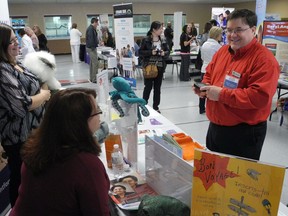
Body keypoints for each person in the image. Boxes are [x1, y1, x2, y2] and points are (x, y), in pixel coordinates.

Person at [194, 9, 280, 160]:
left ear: (253, 30)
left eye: (238, 30)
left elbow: (259, 97)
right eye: (229, 30)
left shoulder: (264, 60)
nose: (232, 35)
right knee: (213, 176)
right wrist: (205, 87)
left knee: (235, 181)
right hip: (215, 127)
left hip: (244, 134)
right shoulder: (223, 52)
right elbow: (209, 73)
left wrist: (220, 94)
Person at [10, 88, 110, 215]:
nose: (100, 116)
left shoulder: (35, 150)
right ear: (81, 122)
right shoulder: (86, 165)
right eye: (97, 111)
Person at [0, 24, 51, 207]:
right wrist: (43, 96)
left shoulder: (16, 64)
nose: (17, 43)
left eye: (16, 39)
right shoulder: (2, 70)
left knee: (35, 180)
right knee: (21, 182)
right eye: (11, 41)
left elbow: (39, 82)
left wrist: (40, 93)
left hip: (33, 133)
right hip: (18, 138)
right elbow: (21, 105)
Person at [139, 21, 169, 113]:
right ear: (154, 29)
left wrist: (164, 53)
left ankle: (156, 107)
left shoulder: (163, 40)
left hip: (160, 67)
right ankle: (144, 105)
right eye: (160, 28)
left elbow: (168, 51)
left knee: (157, 88)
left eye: (161, 28)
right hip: (149, 67)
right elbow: (140, 52)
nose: (161, 30)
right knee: (147, 87)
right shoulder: (146, 40)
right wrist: (150, 52)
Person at [199, 26, 222, 114]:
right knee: (211, 91)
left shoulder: (205, 44)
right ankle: (210, 109)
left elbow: (202, 57)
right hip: (212, 71)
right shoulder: (218, 46)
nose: (221, 36)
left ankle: (201, 108)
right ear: (217, 35)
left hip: (203, 68)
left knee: (202, 90)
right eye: (220, 34)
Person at [86, 17, 100, 83]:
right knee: (95, 63)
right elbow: (91, 39)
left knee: (92, 63)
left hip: (91, 47)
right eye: (97, 23)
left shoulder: (92, 28)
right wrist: (94, 46)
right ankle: (94, 79)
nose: (97, 24)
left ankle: (92, 78)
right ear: (94, 22)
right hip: (91, 48)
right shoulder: (91, 29)